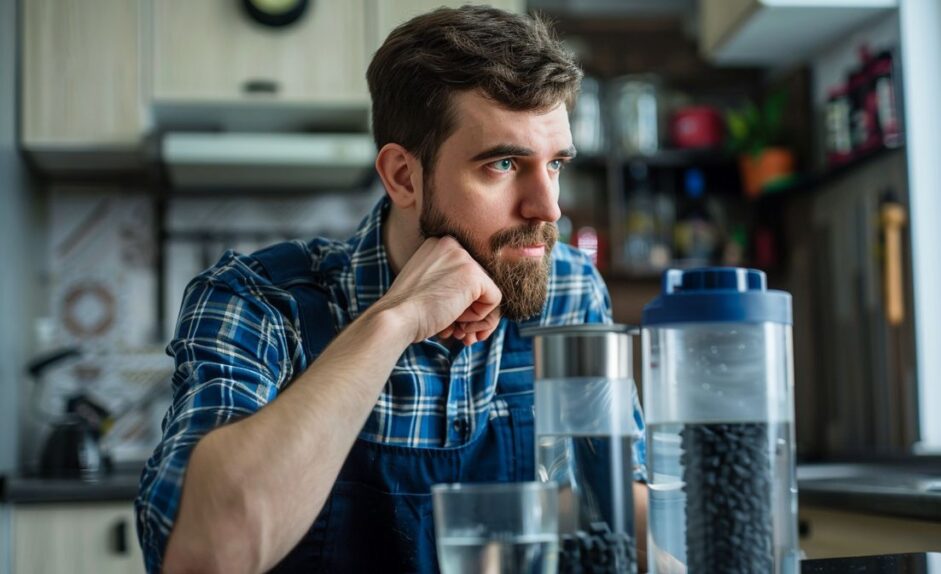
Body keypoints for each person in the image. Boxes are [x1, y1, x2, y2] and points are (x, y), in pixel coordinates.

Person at [136, 5, 646, 573]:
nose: (548, 207)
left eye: (555, 164)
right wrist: (394, 319)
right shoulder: (257, 301)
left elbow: (620, 499)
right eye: (504, 163)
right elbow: (202, 555)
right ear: (404, 176)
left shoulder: (571, 287)